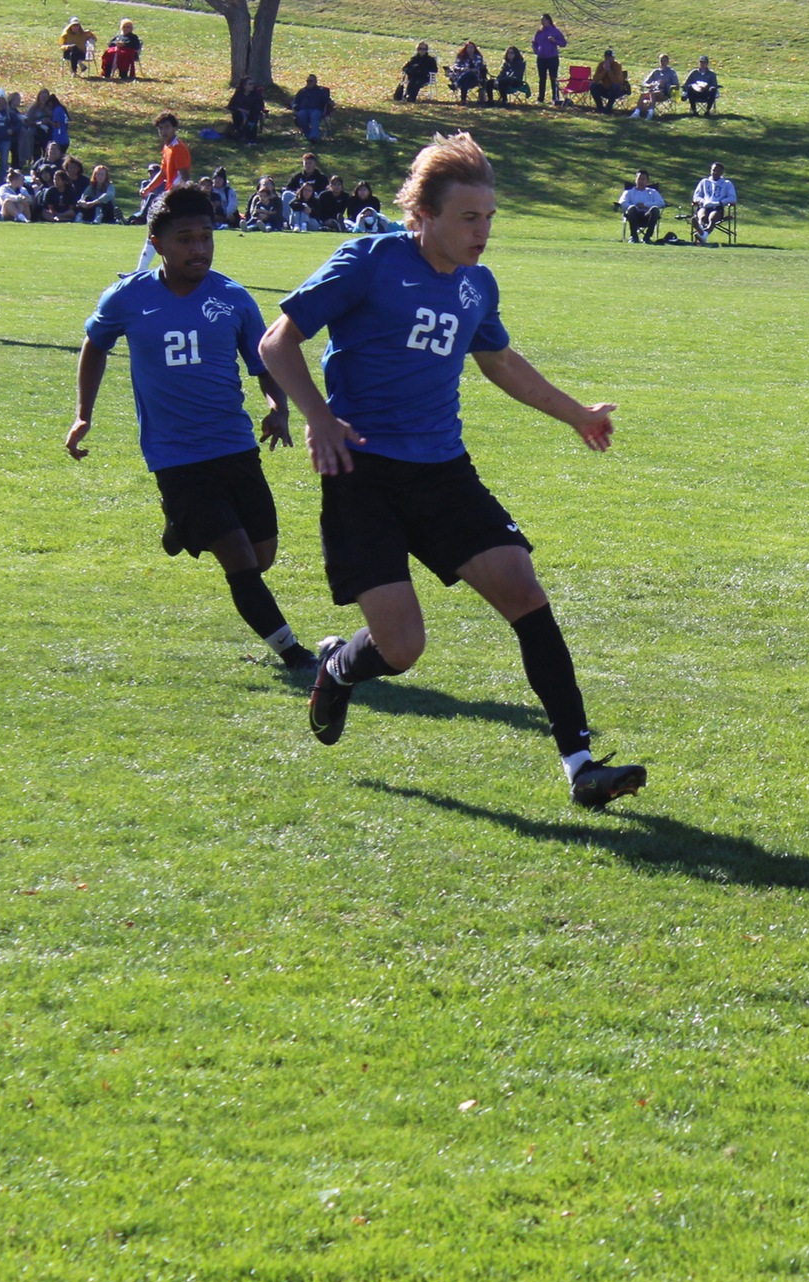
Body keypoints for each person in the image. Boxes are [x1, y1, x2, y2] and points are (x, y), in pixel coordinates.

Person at [260, 133, 644, 808]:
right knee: (402, 648)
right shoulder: (369, 262)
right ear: (424, 214)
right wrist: (319, 418)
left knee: (524, 591)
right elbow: (276, 341)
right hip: (361, 474)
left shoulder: (476, 284)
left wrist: (576, 412)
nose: (482, 232)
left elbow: (497, 361)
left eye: (489, 217)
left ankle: (580, 764)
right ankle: (339, 669)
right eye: (469, 218)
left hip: (442, 471)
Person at [68, 184, 313, 673]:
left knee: (262, 556)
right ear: (156, 242)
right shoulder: (128, 297)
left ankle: (184, 526)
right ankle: (293, 653)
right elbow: (95, 345)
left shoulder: (233, 298)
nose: (198, 248)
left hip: (234, 445)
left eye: (206, 237)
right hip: (175, 456)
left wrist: (277, 407)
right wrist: (83, 413)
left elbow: (264, 361)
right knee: (240, 559)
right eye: (184, 239)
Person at [131, 113, 192, 273]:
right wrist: (148, 188)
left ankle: (142, 270)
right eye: (161, 128)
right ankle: (141, 270)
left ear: (174, 128)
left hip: (176, 197)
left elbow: (184, 176)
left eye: (167, 127)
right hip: (170, 196)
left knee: (160, 229)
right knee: (160, 231)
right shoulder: (167, 147)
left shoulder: (178, 147)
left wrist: (180, 197)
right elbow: (164, 172)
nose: (163, 131)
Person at [690, 160, 736, 242]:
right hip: (705, 205)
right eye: (714, 170)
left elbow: (732, 198)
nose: (715, 172)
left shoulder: (727, 183)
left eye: (718, 171)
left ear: (722, 172)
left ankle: (703, 233)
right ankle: (702, 231)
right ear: (710, 171)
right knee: (702, 216)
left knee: (712, 218)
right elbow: (696, 197)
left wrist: (719, 202)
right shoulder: (704, 182)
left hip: (717, 207)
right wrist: (703, 201)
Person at [618, 171, 663, 240]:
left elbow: (661, 203)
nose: (641, 181)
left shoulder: (653, 192)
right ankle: (634, 236)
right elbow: (622, 202)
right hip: (633, 215)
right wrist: (633, 207)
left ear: (647, 181)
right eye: (639, 179)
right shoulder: (628, 192)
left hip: (648, 216)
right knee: (631, 208)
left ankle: (647, 237)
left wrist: (646, 205)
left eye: (643, 179)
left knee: (655, 209)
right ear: (635, 180)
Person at [533, 15, 566, 105]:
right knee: (542, 78)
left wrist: (555, 41)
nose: (542, 22)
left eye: (544, 20)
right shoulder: (539, 32)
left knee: (553, 78)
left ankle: (555, 98)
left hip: (552, 58)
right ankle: (541, 98)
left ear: (548, 21)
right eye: (541, 20)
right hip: (541, 58)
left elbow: (563, 43)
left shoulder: (555, 31)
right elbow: (534, 42)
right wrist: (536, 51)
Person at [293, 75, 333, 141]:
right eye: (307, 81)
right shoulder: (302, 91)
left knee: (314, 115)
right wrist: (294, 107)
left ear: (315, 82)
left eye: (311, 81)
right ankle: (309, 136)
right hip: (303, 110)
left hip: (317, 110)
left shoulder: (321, 91)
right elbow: (295, 101)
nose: (308, 83)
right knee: (301, 115)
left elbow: (327, 100)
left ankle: (314, 136)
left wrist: (331, 103)